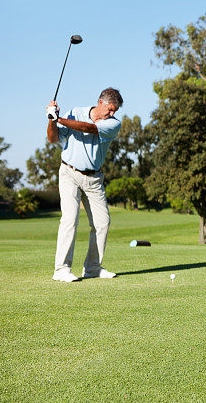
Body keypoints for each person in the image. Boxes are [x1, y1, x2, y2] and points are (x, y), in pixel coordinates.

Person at [47, 88, 123, 282]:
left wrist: (59, 119)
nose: (112, 114)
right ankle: (61, 269)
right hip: (69, 173)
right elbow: (53, 138)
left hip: (94, 179)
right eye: (110, 109)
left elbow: (88, 129)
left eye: (115, 110)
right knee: (70, 219)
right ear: (100, 102)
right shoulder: (75, 111)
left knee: (102, 223)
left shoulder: (113, 124)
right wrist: (51, 119)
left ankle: (92, 268)